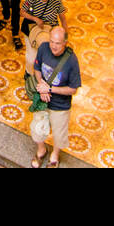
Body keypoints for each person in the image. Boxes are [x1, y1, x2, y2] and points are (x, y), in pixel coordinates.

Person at [32, 26, 81, 168]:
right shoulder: (43, 48)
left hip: (60, 105)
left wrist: (51, 89)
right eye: (51, 41)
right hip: (43, 99)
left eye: (57, 43)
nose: (53, 46)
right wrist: (42, 87)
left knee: (59, 134)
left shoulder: (71, 61)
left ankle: (55, 154)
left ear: (65, 43)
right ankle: (41, 150)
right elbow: (37, 69)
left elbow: (73, 89)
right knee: (37, 128)